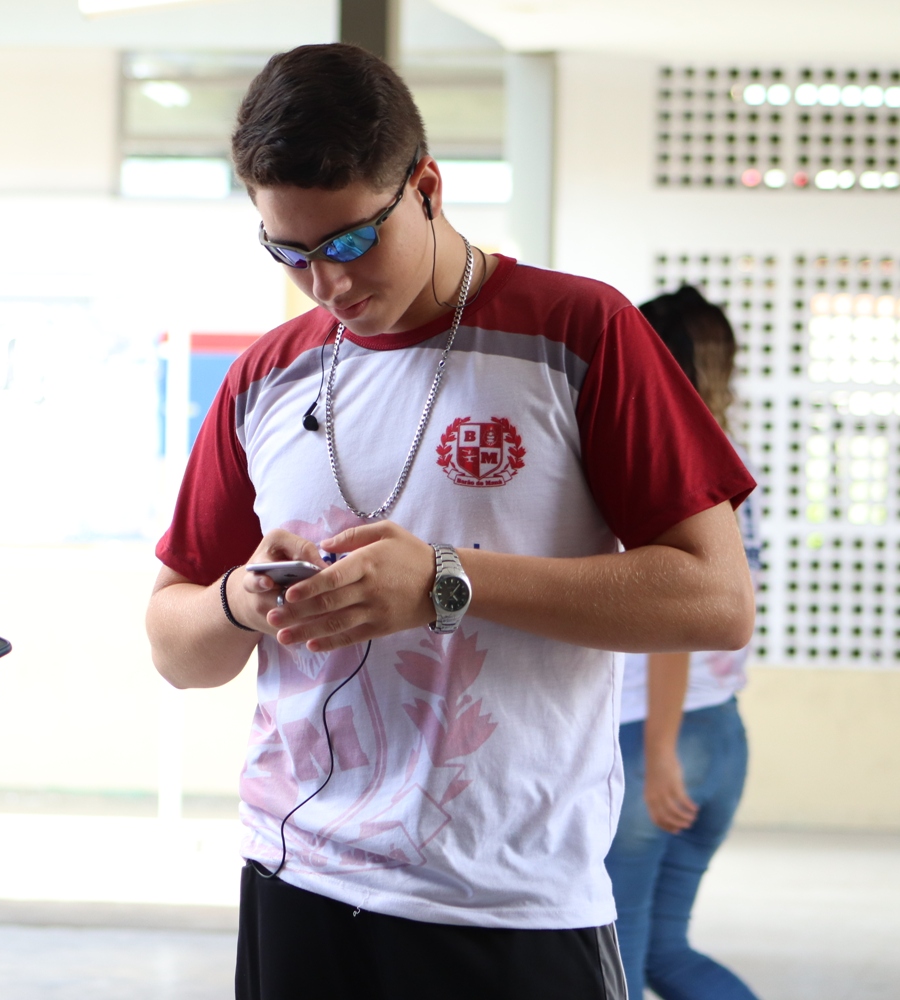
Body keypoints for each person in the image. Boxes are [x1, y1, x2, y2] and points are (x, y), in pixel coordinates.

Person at [145, 44, 757, 999]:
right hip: (294, 876)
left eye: (348, 243)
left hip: (504, 900)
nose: (327, 284)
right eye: (289, 252)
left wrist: (444, 582)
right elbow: (176, 647)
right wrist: (241, 598)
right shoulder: (265, 377)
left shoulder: (578, 333)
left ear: (426, 186)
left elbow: (715, 600)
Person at [606, 285, 762, 1000]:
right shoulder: (729, 459)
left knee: (618, 972)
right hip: (721, 735)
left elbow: (675, 617)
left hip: (657, 740)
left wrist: (661, 752)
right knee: (666, 954)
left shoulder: (664, 457)